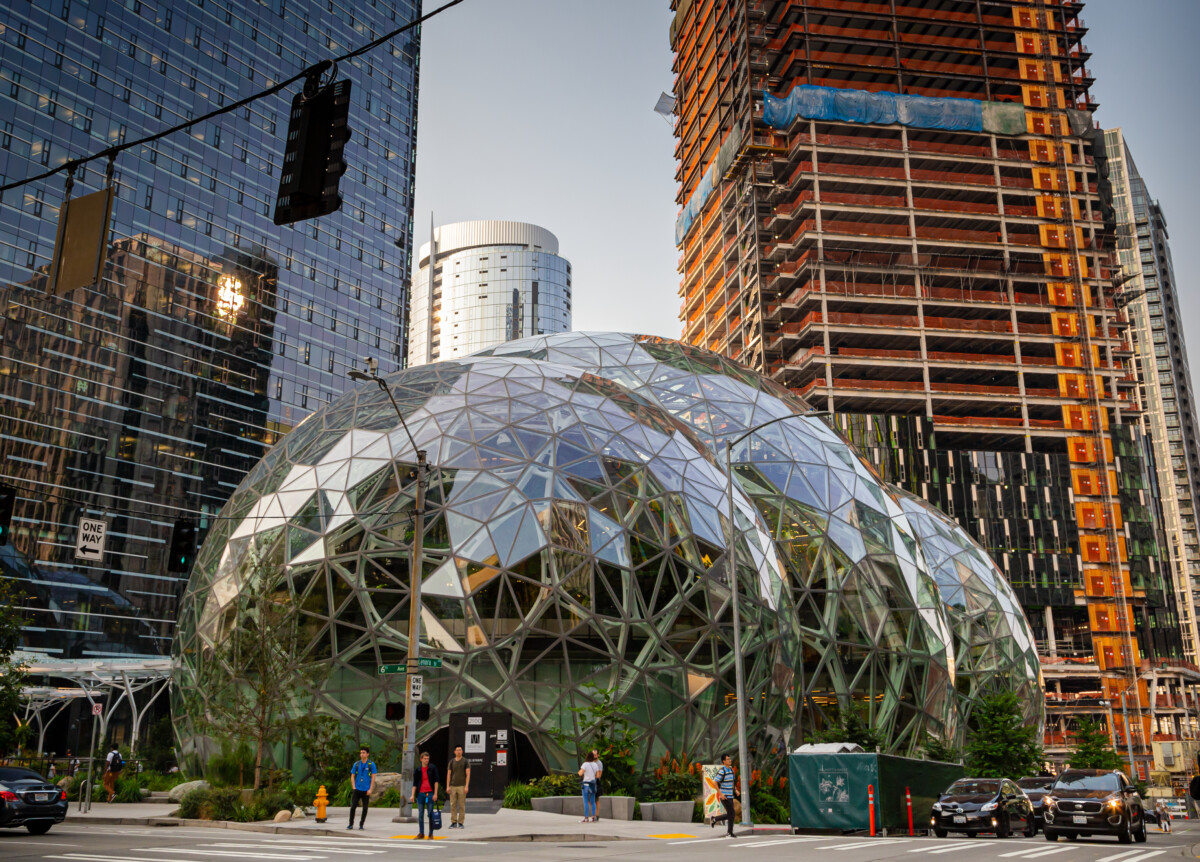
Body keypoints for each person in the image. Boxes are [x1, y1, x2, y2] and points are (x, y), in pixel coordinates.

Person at [409, 751, 440, 840]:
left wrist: (435, 793)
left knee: (430, 814)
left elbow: (436, 781)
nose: (426, 760)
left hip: (430, 793)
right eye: (425, 759)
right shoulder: (418, 770)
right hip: (421, 794)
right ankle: (421, 832)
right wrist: (412, 795)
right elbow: (415, 783)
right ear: (421, 759)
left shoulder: (432, 768)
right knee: (420, 814)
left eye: (428, 759)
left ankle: (430, 833)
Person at [347, 746, 377, 830]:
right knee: (353, 807)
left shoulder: (371, 765)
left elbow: (373, 778)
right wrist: (353, 787)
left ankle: (361, 824)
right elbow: (352, 776)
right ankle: (350, 824)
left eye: (363, 753)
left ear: (367, 754)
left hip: (366, 789)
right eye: (361, 753)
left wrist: (370, 789)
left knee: (365, 808)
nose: (362, 754)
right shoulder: (356, 764)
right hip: (357, 789)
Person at [711, 753, 737, 836]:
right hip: (724, 796)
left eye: (730, 759)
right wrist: (720, 794)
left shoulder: (731, 770)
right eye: (728, 759)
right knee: (732, 813)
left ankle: (715, 819)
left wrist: (736, 790)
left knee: (731, 814)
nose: (730, 760)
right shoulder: (722, 771)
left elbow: (732, 782)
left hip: (730, 795)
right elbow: (715, 783)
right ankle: (730, 832)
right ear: (724, 761)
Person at [446, 745, 470, 829]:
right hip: (453, 786)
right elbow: (449, 774)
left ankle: (461, 822)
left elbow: (468, 774)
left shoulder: (465, 761)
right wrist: (448, 786)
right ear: (454, 752)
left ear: (462, 751)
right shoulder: (451, 762)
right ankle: (453, 822)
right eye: (457, 750)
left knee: (461, 805)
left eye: (460, 750)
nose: (459, 751)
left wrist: (466, 786)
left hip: (462, 786)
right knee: (453, 804)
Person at [578, 751, 601, 823]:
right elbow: (597, 776)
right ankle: (593, 818)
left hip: (586, 784)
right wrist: (592, 776)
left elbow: (580, 773)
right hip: (593, 784)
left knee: (585, 801)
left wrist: (580, 772)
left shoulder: (585, 764)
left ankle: (586, 818)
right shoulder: (595, 765)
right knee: (593, 801)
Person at [590, 749, 604, 820]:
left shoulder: (599, 763)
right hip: (590, 782)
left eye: (595, 754)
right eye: (593, 754)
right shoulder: (590, 762)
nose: (594, 756)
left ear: (598, 755)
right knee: (589, 799)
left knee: (596, 799)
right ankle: (594, 814)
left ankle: (596, 815)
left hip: (596, 783)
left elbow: (599, 775)